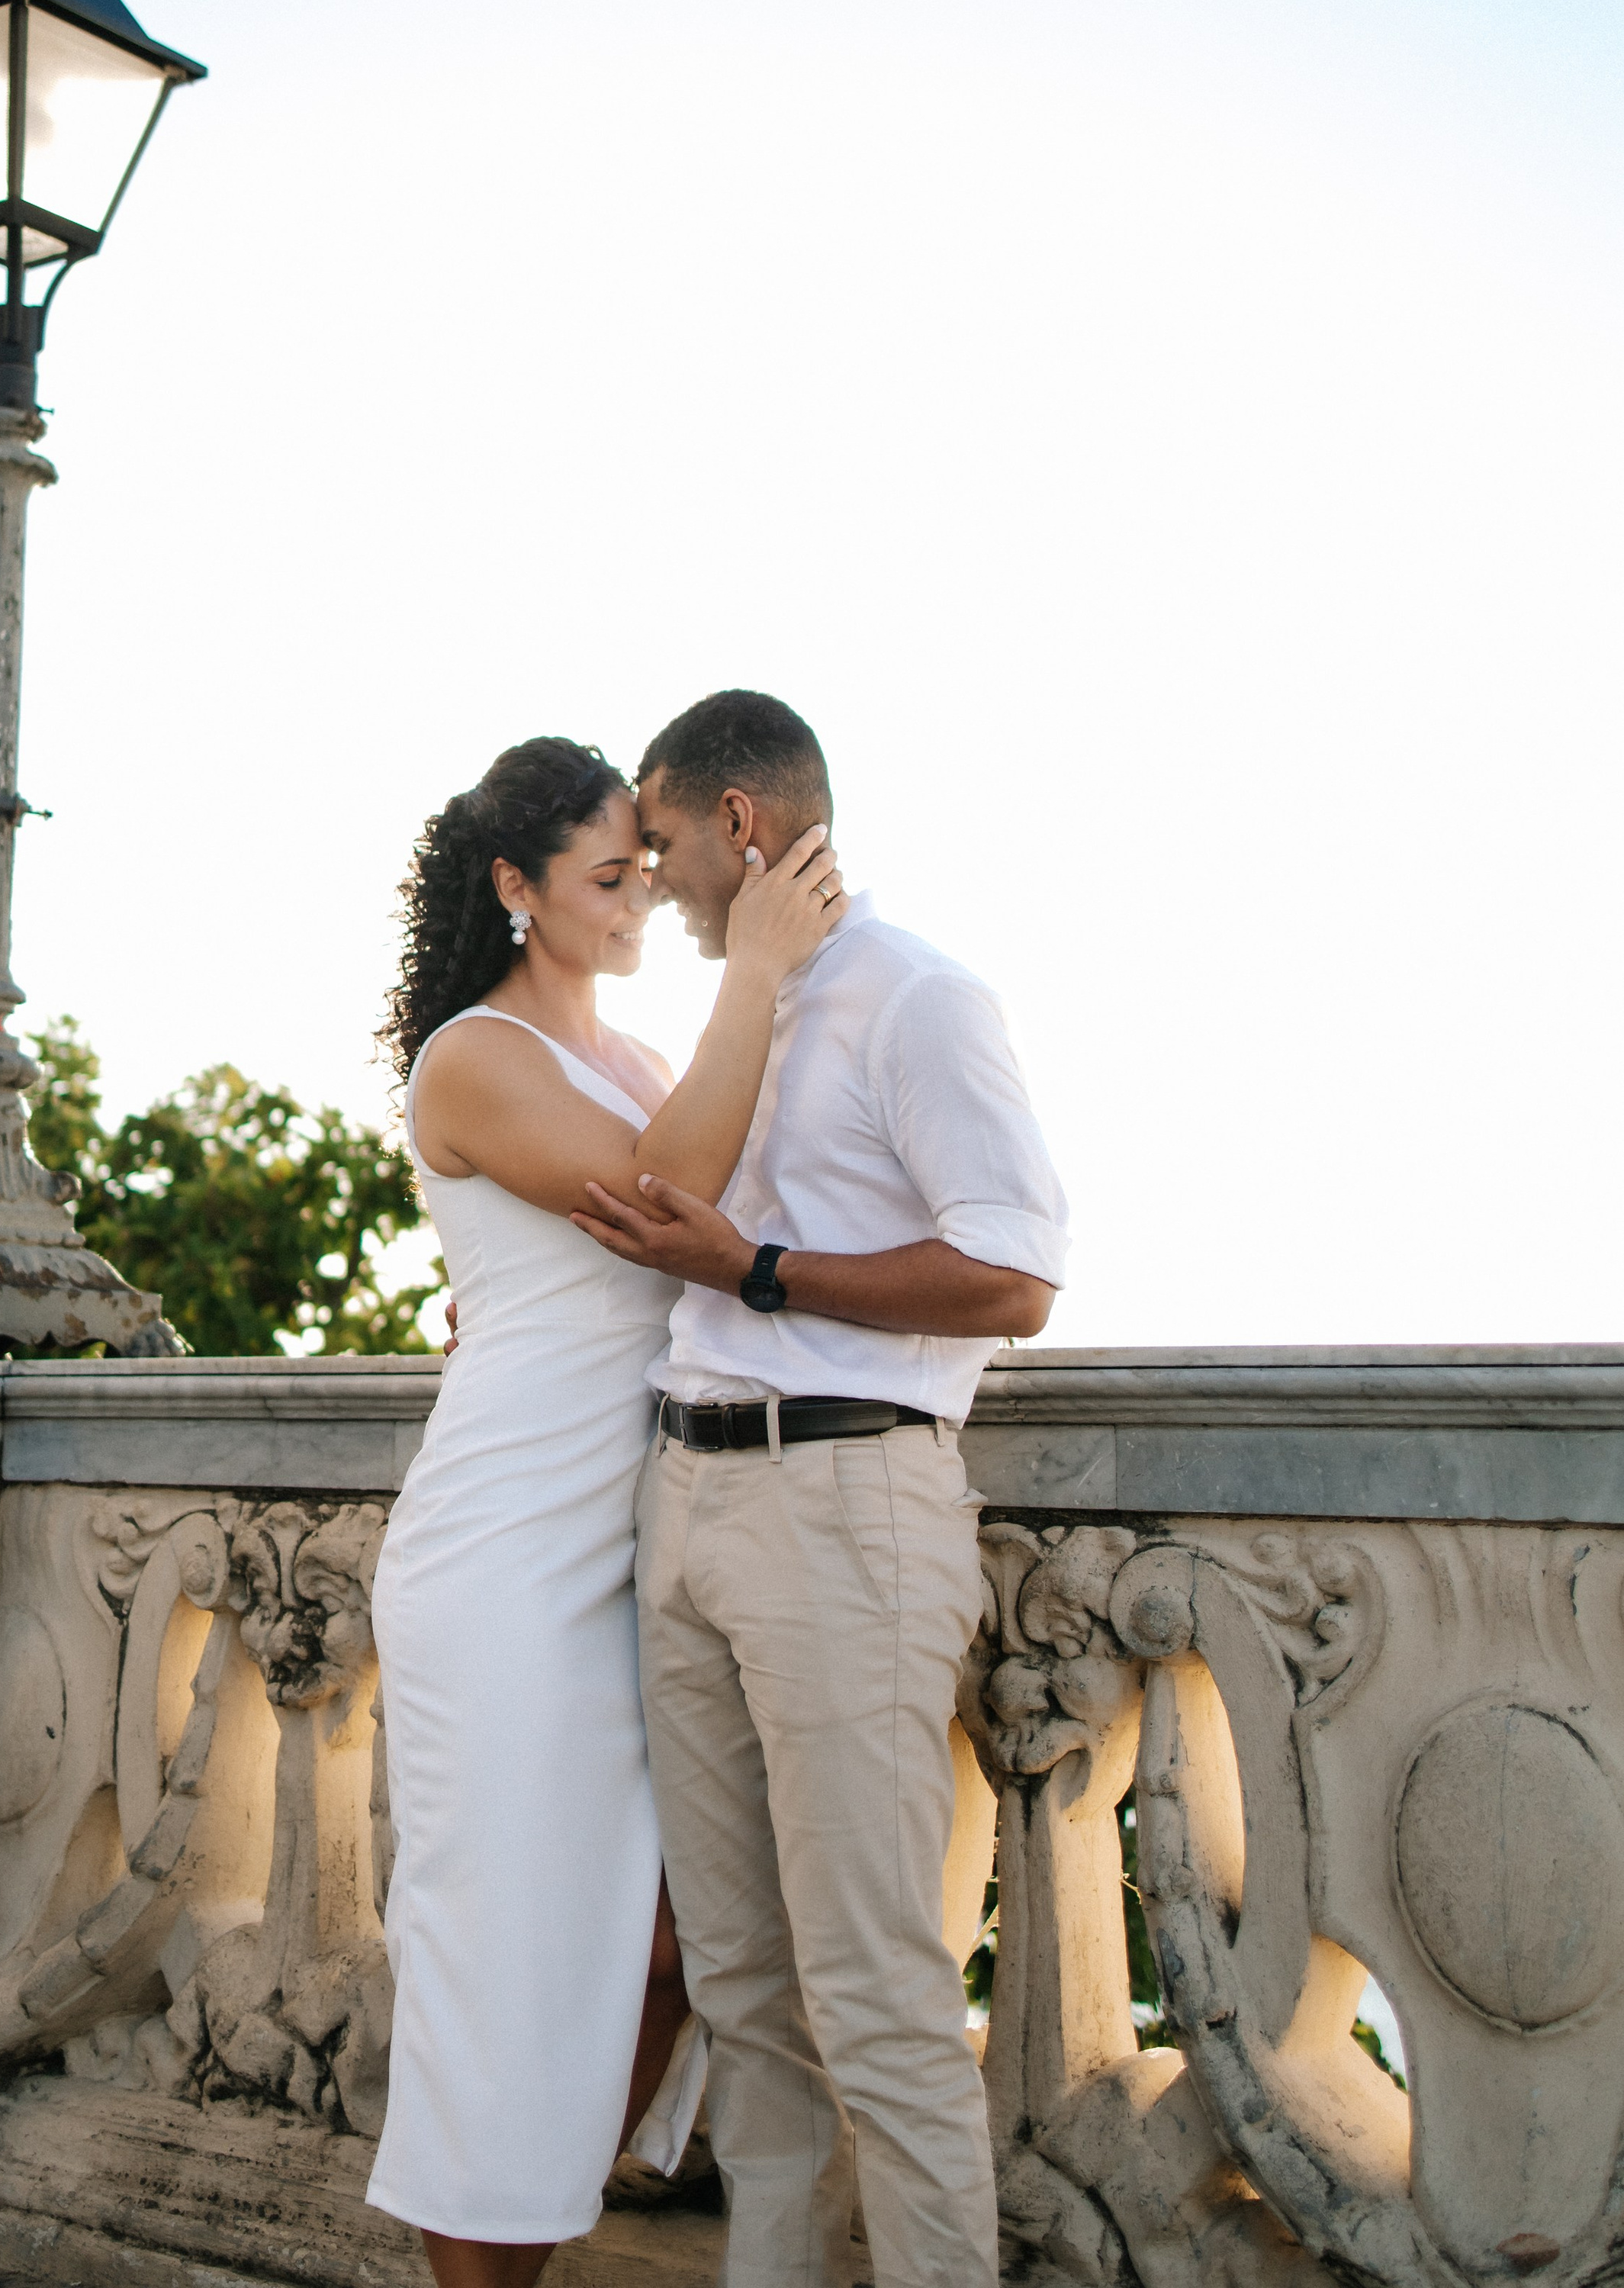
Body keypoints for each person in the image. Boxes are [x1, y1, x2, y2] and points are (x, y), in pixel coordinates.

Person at [573, 690, 1068, 2288]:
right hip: (686, 1501)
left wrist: (763, 1272)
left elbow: (1009, 1275)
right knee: (737, 1983)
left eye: (654, 842)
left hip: (846, 1506)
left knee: (874, 1986)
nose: (643, 879)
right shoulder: (733, 1016)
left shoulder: (915, 998)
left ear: (739, 825)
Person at [365, 733, 847, 2288]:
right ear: (516, 888)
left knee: (660, 1938)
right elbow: (663, 1206)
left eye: (648, 868)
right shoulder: (470, 1056)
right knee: (500, 1962)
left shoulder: (631, 1062)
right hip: (504, 1558)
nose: (643, 896)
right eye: (607, 874)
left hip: (635, 1547)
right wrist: (753, 972)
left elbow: (730, 1208)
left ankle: (531, 2237)